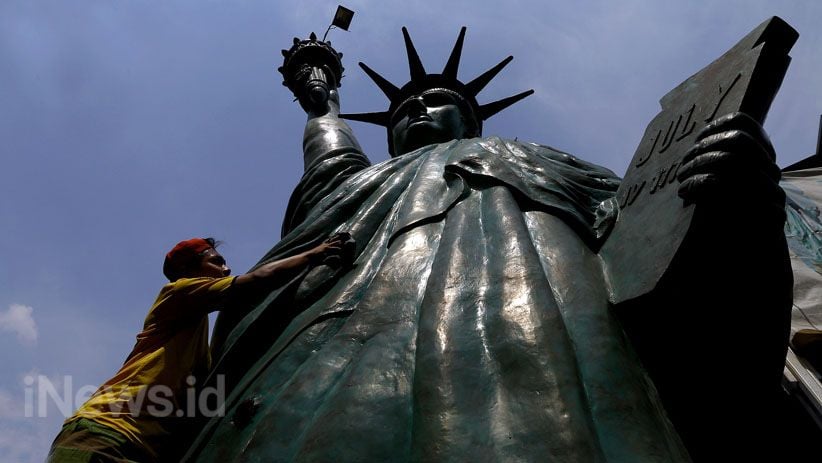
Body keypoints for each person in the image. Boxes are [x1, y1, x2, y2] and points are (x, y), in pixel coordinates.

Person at [185, 28, 789, 462]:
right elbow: (329, 165)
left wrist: (740, 208)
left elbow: (654, 260)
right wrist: (323, 106)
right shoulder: (359, 186)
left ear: (471, 122)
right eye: (404, 108)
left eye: (438, 101)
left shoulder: (548, 162)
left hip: (538, 344)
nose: (418, 106)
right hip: (330, 353)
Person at [47, 234, 352, 462]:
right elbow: (254, 282)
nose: (226, 268)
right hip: (104, 434)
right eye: (216, 261)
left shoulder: (197, 344)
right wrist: (318, 252)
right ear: (191, 269)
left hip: (138, 447)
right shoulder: (177, 293)